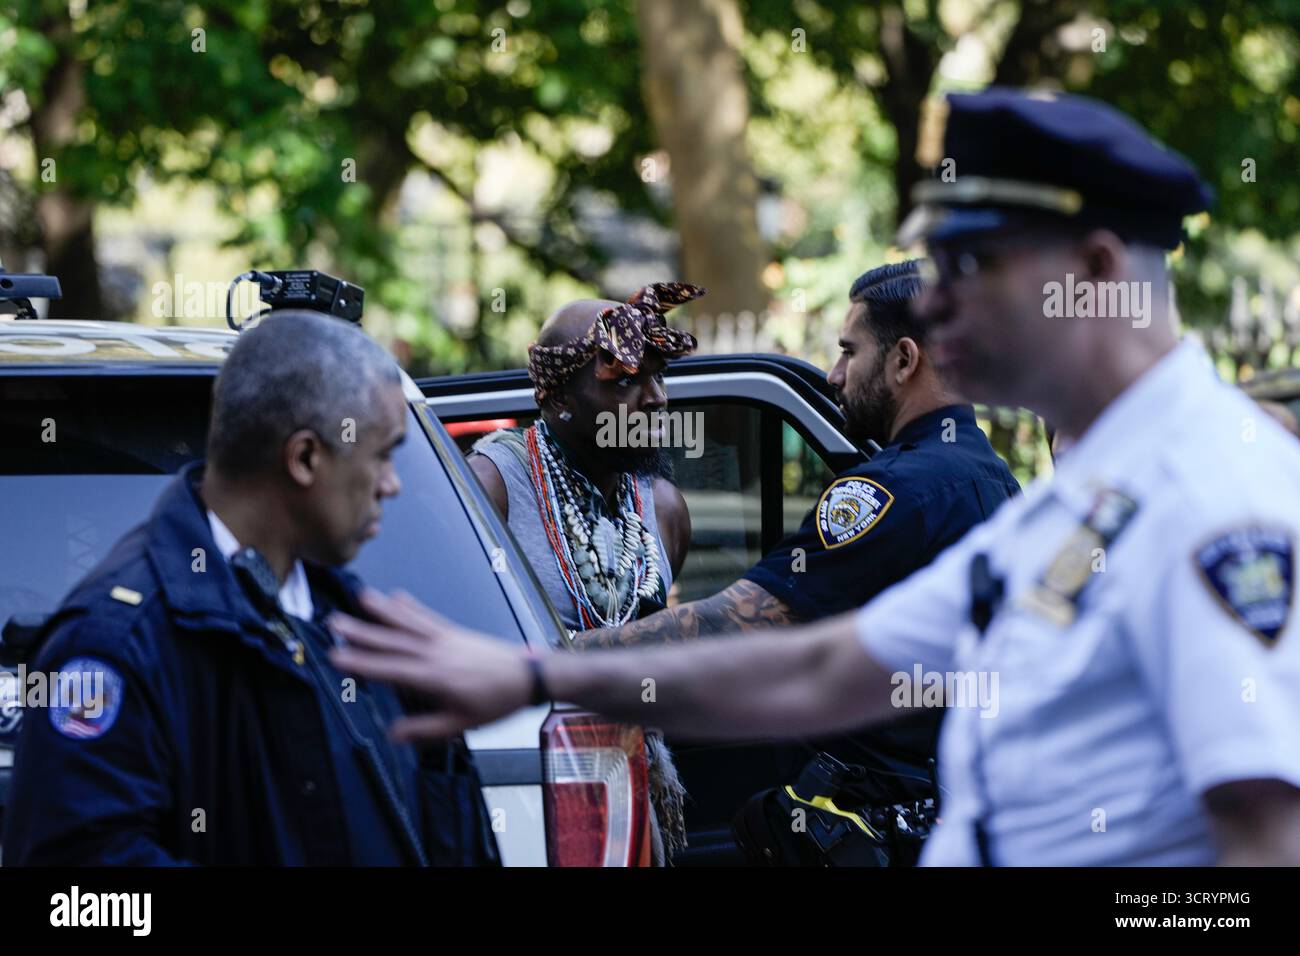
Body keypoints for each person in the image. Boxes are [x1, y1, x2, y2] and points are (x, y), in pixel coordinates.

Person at [326, 89, 1300, 866]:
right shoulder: (1072, 499)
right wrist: (531, 671)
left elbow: (1265, 841)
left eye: (972, 264)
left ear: (1090, 269)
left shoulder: (1211, 492)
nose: (943, 306)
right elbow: (821, 666)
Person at [3, 310, 496, 866]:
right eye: (382, 455)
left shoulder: (355, 625)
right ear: (306, 457)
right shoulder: (117, 642)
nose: (392, 482)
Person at [575, 260, 1020, 864]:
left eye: (847, 352)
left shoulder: (895, 492)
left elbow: (736, 623)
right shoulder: (992, 480)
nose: (835, 375)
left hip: (881, 832)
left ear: (904, 359)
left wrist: (555, 662)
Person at [466, 281, 697, 859]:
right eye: (624, 382)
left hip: (634, 785)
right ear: (556, 399)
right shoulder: (494, 486)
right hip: (527, 798)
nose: (655, 398)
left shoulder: (664, 508)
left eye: (657, 377)